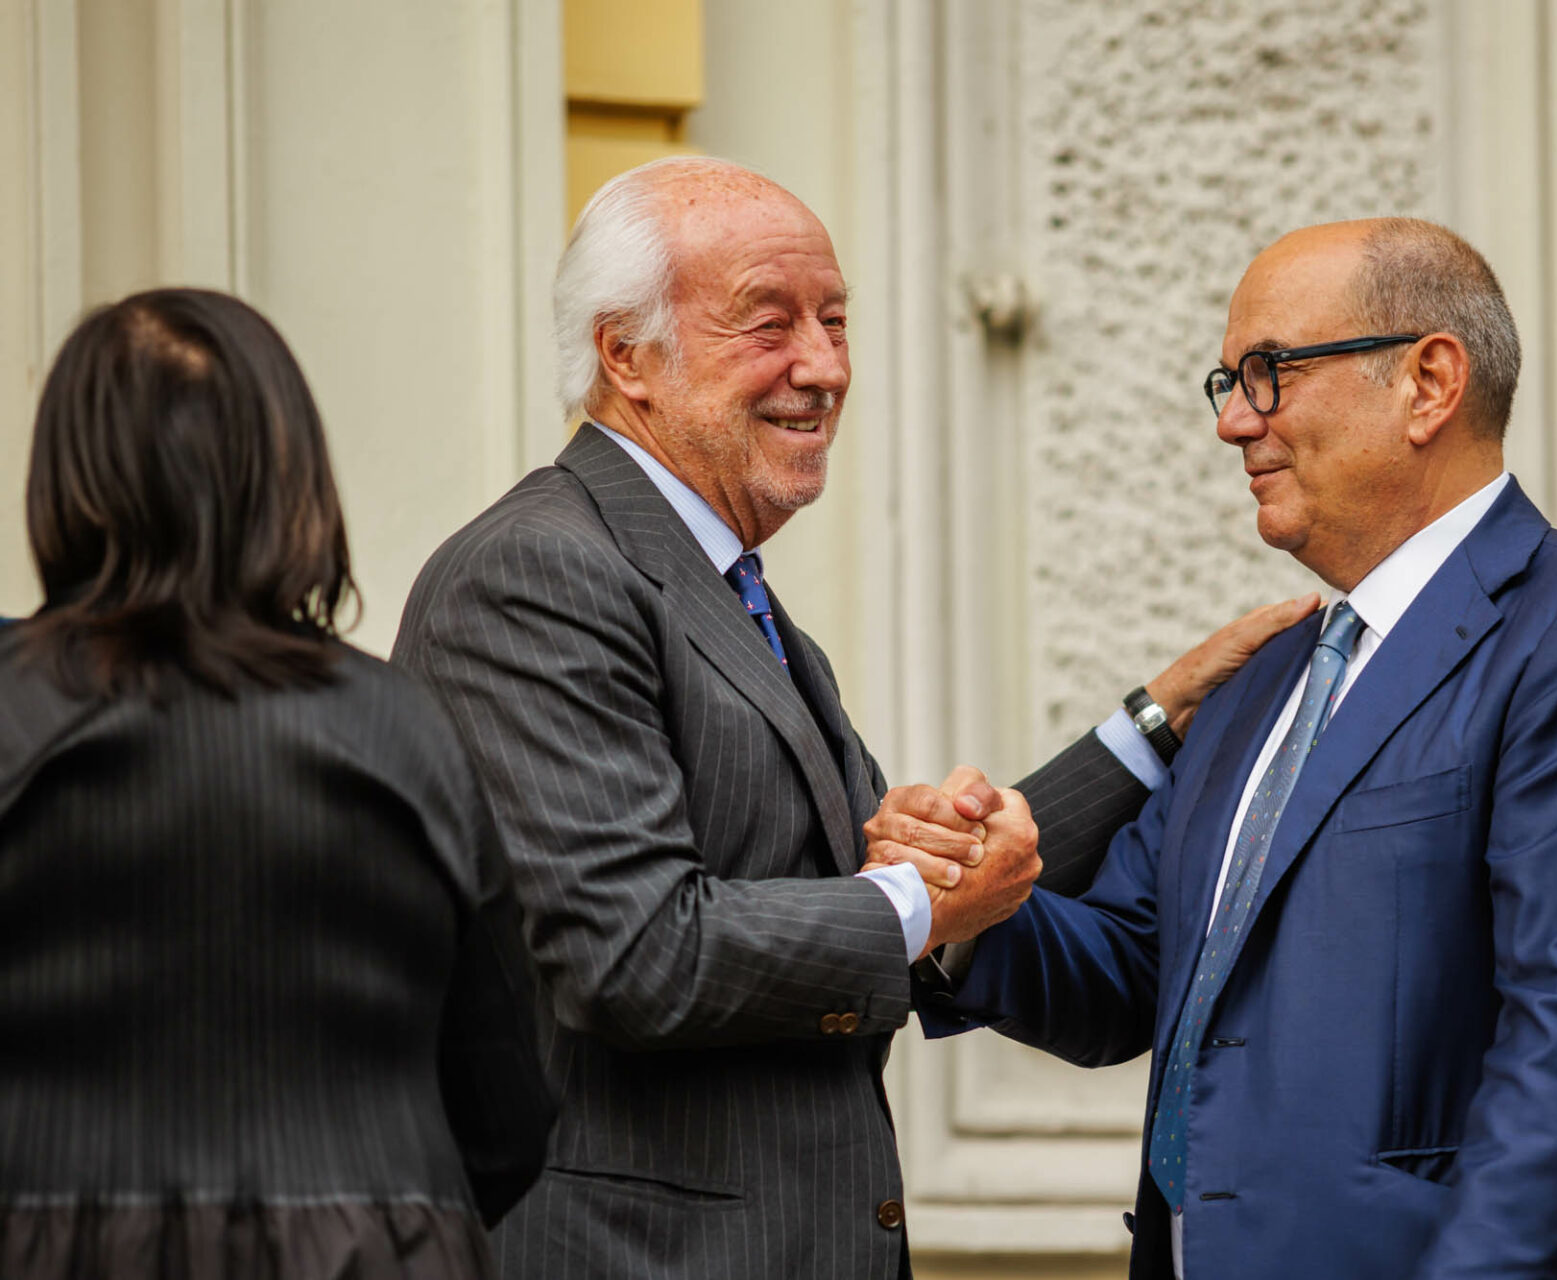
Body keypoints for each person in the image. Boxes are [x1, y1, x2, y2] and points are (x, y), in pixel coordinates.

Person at [390, 157, 1308, 1280]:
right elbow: (635, 953)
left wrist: (1156, 722)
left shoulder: (721, 583)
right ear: (625, 355)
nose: (824, 366)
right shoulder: (537, 571)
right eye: (768, 322)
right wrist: (919, 900)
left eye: (834, 320)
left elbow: (884, 886)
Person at [918, 218, 1557, 1279]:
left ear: (1428, 384)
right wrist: (969, 906)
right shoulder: (1263, 679)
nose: (1234, 422)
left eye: (1270, 372)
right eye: (1229, 383)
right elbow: (1133, 963)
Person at [0, 289, 554, 1278]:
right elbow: (509, 1104)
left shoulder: (13, 711)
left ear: (66, 478)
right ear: (289, 473)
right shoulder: (404, 728)